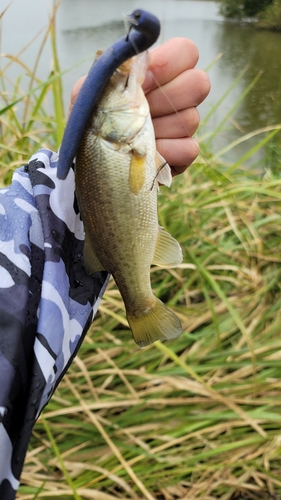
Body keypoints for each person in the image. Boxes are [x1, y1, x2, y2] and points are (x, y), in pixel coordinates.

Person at [0, 38, 210, 499]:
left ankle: (142, 304)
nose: (123, 87)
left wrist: (59, 211)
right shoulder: (122, 139)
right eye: (113, 95)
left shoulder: (118, 137)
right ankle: (143, 305)